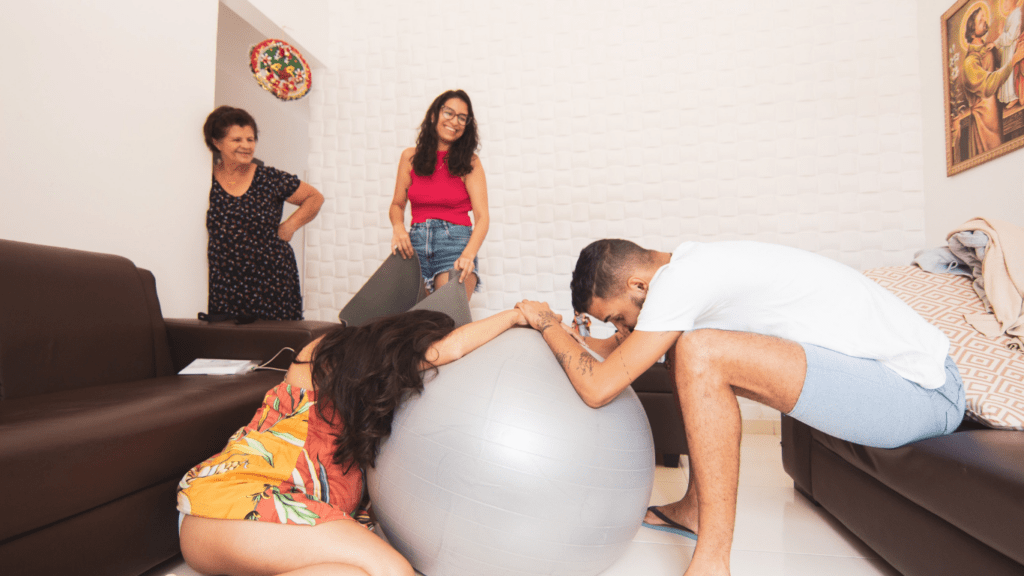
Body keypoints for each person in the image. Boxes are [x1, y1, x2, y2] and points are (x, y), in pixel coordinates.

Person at [515, 239, 966, 576]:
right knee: (686, 347)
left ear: (638, 284)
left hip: (921, 393)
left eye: (617, 316)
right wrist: (565, 332)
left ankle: (713, 561)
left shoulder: (681, 282)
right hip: (894, 383)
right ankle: (694, 508)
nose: (621, 327)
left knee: (700, 351)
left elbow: (599, 388)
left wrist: (543, 323)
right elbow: (616, 353)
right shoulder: (687, 271)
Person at [178, 307, 527, 576]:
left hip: (238, 530)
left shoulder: (367, 423)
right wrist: (516, 315)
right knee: (393, 570)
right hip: (228, 503)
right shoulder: (325, 355)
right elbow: (450, 348)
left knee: (353, 573)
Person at [203, 106, 324, 321]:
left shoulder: (269, 178)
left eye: (250, 140)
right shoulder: (204, 179)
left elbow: (314, 197)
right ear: (216, 142)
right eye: (237, 140)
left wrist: (290, 226)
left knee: (276, 344)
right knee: (229, 347)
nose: (246, 146)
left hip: (272, 279)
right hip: (226, 281)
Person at [388, 90, 489, 301]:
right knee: (414, 323)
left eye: (462, 118)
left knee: (447, 319)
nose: (455, 121)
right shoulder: (410, 157)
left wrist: (468, 255)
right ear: (434, 115)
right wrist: (398, 228)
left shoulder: (470, 162)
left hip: (455, 245)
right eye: (449, 113)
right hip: (414, 245)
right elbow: (397, 204)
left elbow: (482, 217)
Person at [962, 6, 1024, 155]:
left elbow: (1002, 63)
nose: (985, 21)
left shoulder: (987, 48)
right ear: (972, 30)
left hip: (997, 112)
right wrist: (1013, 61)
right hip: (985, 122)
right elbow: (989, 83)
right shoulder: (969, 62)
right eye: (980, 20)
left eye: (984, 17)